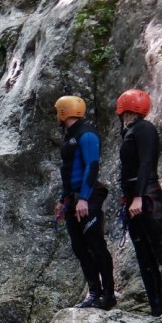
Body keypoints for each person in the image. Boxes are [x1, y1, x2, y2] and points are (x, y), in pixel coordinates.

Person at [116, 89, 162, 316]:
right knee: (144, 254)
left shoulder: (144, 129)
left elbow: (146, 163)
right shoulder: (130, 131)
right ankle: (157, 308)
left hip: (146, 198)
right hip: (135, 199)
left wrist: (138, 196)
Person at [54, 95, 116, 310]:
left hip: (88, 197)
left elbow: (92, 166)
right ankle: (94, 293)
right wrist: (64, 199)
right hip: (73, 199)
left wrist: (84, 198)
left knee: (96, 246)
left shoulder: (86, 133)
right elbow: (68, 171)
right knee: (80, 248)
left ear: (63, 111)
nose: (56, 116)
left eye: (57, 111)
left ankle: (108, 295)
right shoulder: (69, 136)